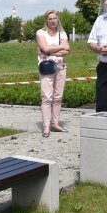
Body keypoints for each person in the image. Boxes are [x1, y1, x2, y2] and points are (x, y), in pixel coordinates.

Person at [36, 9, 70, 137]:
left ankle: (55, 123)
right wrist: (60, 47)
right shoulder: (41, 33)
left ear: (57, 19)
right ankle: (46, 126)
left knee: (58, 97)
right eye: (50, 19)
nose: (52, 21)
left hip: (60, 67)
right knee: (47, 97)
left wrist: (50, 52)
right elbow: (44, 48)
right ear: (46, 20)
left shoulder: (62, 34)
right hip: (46, 68)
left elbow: (67, 50)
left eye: (54, 18)